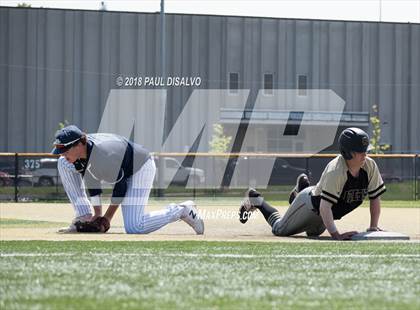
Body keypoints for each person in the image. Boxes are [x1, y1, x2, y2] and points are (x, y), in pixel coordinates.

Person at [52, 125, 204, 234]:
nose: (62, 153)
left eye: (65, 150)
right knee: (63, 163)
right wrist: (97, 215)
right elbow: (92, 181)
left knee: (135, 227)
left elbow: (120, 188)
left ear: (79, 144)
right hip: (123, 165)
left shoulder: (104, 156)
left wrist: (106, 218)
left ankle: (182, 210)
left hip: (140, 167)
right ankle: (84, 215)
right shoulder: (83, 153)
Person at [239, 127, 386, 240]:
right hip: (311, 205)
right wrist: (336, 235)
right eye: (360, 151)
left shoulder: (369, 166)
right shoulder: (336, 170)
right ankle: (256, 199)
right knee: (279, 229)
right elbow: (325, 206)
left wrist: (373, 226)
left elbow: (375, 197)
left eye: (365, 151)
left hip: (324, 213)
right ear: (348, 153)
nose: (365, 155)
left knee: (313, 234)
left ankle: (300, 190)